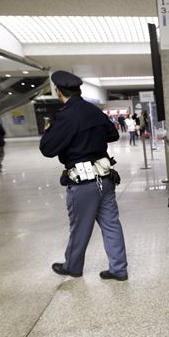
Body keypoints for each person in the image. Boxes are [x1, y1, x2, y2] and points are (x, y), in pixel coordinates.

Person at [40, 71, 128, 281]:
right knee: (111, 224)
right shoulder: (94, 111)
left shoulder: (65, 116)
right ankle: (119, 269)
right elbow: (113, 134)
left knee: (80, 226)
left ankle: (72, 266)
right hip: (105, 178)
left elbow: (47, 149)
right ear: (79, 90)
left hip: (82, 183)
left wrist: (53, 131)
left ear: (59, 92)